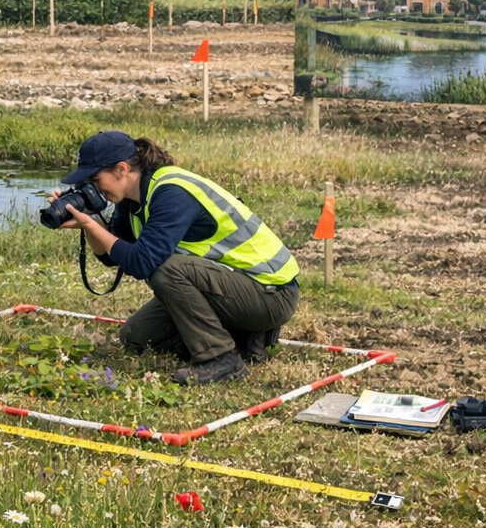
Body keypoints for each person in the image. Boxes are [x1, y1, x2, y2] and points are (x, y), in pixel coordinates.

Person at [50, 130, 300, 385]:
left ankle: (222, 359)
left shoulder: (171, 193)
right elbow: (113, 258)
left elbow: (142, 263)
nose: (94, 190)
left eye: (94, 180)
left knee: (165, 270)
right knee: (136, 336)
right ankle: (245, 336)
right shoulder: (131, 200)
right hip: (237, 287)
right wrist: (88, 222)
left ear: (121, 169)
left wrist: (93, 227)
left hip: (271, 293)